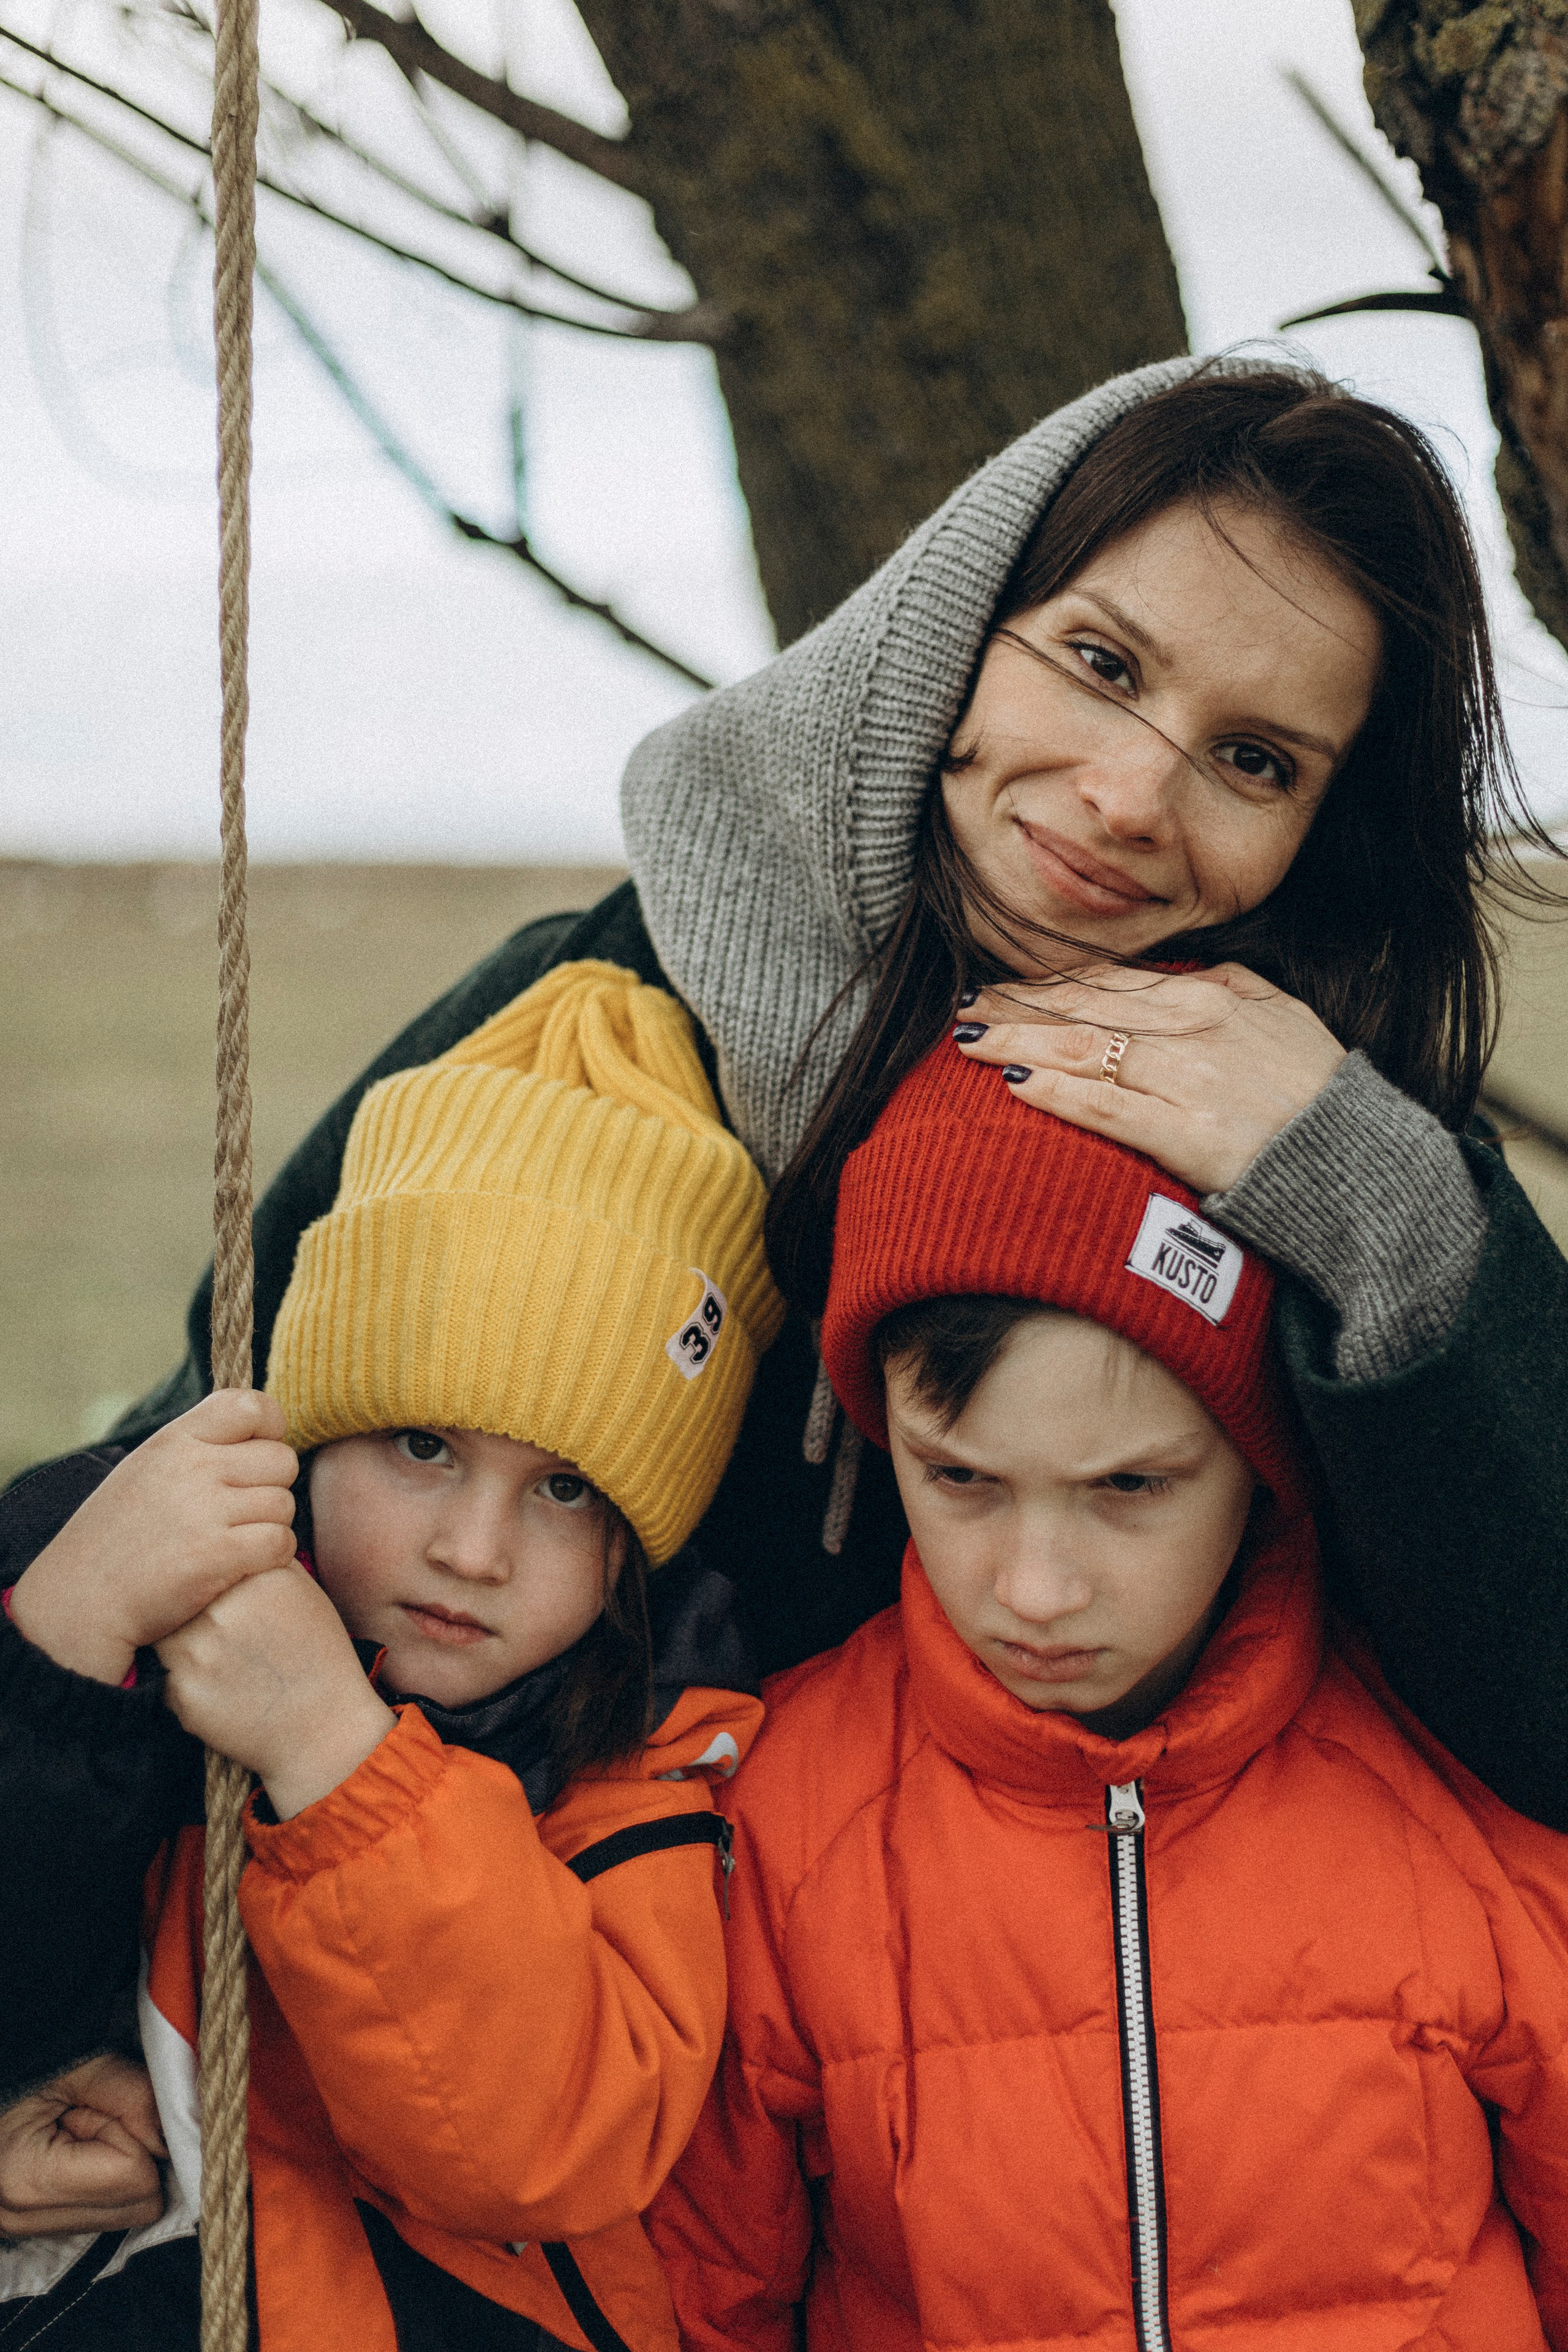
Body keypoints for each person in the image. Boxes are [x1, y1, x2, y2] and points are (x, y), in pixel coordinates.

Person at [77, 357, 1568, 1838]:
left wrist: (1378, 1210)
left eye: (1251, 760)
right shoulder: (599, 1011)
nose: (1128, 795)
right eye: (1101, 664)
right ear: (961, 622)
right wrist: (69, 2019)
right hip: (530, 1989)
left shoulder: (1316, 1127)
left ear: (1323, 828)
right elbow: (188, 1476)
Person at [647, 1036, 1568, 2350]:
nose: (1032, 1589)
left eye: (1128, 1488)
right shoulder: (778, 1814)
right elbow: (709, 2298)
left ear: (1259, 1461)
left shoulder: (1461, 1752)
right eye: (959, 1478)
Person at [0, 960, 782, 2351]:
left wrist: (332, 1756)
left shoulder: (649, 1774)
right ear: (310, 1439)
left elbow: (542, 2146)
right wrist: (59, 1649)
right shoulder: (132, 1619)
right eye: (421, 1448)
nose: (473, 1551)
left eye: (564, 1492)